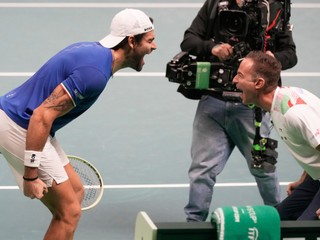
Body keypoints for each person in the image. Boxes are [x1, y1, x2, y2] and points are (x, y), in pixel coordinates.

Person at [0, 8, 156, 239]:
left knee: (76, 191)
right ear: (132, 41)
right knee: (69, 212)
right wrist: (30, 175)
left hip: (20, 119)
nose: (154, 46)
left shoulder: (94, 53)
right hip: (19, 125)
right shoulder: (94, 74)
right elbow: (41, 116)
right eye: (150, 40)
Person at [179, 0, 298, 222]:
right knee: (201, 170)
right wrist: (212, 48)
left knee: (263, 170)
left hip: (253, 107)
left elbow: (290, 54)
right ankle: (193, 225)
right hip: (212, 102)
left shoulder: (273, 8)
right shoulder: (216, 4)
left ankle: (281, 222)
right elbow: (189, 40)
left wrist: (273, 59)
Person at [233, 50, 320, 220]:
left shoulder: (293, 114)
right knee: (277, 220)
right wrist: (304, 178)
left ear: (258, 83)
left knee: (305, 227)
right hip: (316, 177)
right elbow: (313, 148)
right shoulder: (279, 101)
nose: (235, 80)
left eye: (240, 75)